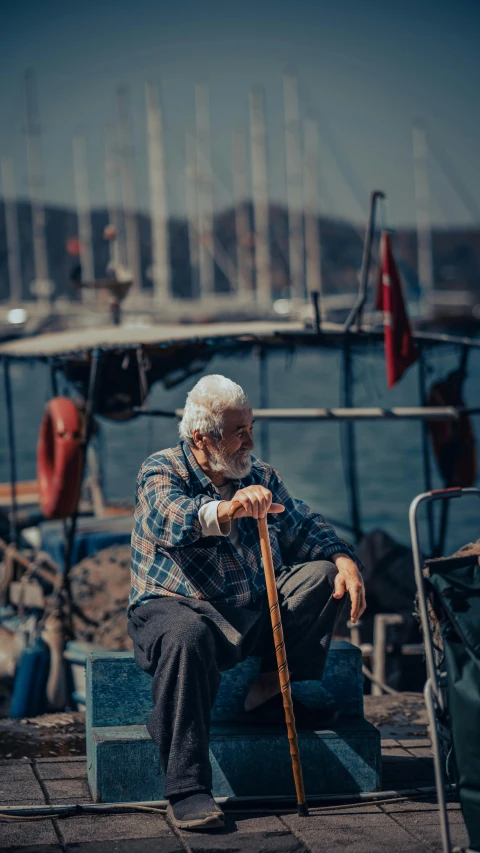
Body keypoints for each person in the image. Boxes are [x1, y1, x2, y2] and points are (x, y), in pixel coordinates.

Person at [128, 375, 366, 830]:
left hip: (248, 611)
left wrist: (343, 558)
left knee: (321, 576)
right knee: (186, 636)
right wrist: (231, 508)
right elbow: (172, 519)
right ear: (202, 437)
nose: (250, 440)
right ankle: (186, 788)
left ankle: (267, 696)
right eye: (239, 431)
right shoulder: (161, 470)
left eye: (250, 428)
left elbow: (303, 527)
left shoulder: (260, 475)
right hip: (174, 609)